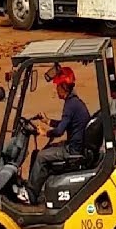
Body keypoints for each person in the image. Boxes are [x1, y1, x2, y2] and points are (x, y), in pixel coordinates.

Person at [28, 66, 91, 200]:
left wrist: (45, 133)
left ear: (64, 87)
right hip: (76, 146)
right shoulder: (74, 103)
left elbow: (60, 131)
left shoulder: (70, 105)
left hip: (73, 151)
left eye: (57, 86)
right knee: (49, 150)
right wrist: (47, 121)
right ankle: (40, 189)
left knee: (41, 156)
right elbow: (65, 124)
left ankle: (30, 194)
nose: (56, 90)